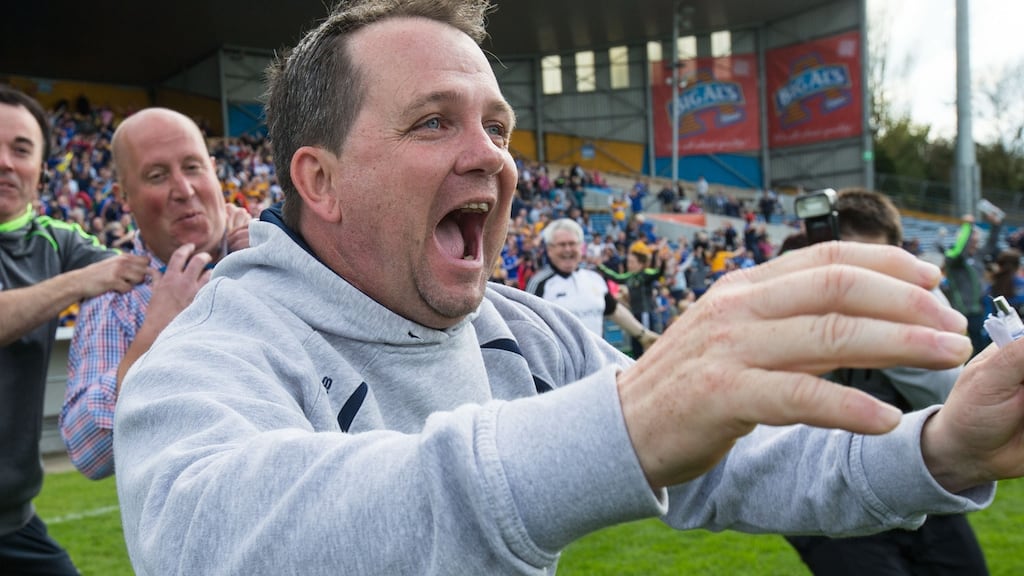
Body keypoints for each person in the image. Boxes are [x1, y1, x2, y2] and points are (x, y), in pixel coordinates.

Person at [114, 2, 1024, 574]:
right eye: (433, 123)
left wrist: (943, 445)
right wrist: (624, 424)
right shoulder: (212, 350)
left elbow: (742, 459)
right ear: (320, 180)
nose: (491, 157)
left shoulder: (526, 332)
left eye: (498, 126)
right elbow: (212, 539)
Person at [783, 188, 989, 576]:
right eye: (851, 259)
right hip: (827, 491)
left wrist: (877, 333)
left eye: (873, 262)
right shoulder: (790, 292)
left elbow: (949, 395)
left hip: (914, 482)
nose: (860, 276)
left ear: (895, 255)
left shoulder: (919, 295)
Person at [0, 85, 149, 574]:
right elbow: (96, 276)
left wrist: (221, 236)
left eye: (21, 149)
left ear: (41, 172)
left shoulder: (57, 241)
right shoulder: (71, 264)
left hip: (12, 520)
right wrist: (79, 282)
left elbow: (143, 270)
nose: (4, 162)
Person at [59, 108, 252, 480]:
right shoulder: (116, 299)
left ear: (214, 171)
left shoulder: (274, 247)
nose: (184, 190)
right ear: (125, 196)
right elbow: (87, 453)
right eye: (157, 176)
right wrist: (153, 337)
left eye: (193, 167)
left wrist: (266, 257)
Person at [526, 218, 656, 349]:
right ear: (549, 249)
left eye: (572, 244)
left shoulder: (595, 279)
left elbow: (614, 310)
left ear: (581, 247)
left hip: (598, 359)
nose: (568, 249)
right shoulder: (539, 283)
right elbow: (528, 327)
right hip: (559, 361)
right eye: (562, 244)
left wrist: (643, 335)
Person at [943, 210, 1002, 355]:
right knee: (961, 347)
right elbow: (961, 251)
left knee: (980, 345)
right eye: (972, 239)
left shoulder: (977, 256)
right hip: (961, 309)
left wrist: (996, 225)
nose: (975, 242)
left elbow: (991, 243)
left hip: (978, 308)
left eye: (976, 239)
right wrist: (967, 227)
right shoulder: (953, 257)